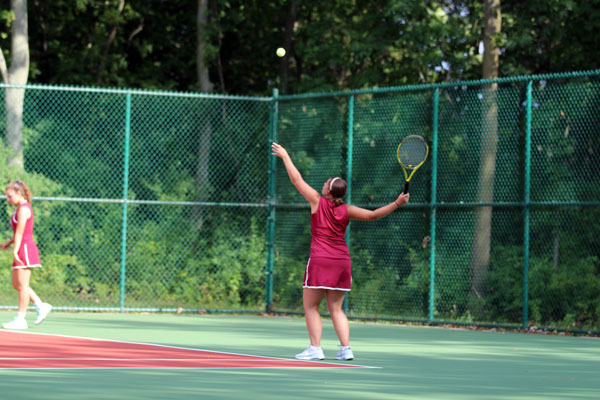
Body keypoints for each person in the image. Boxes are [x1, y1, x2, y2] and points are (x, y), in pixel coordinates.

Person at [271, 142, 410, 361]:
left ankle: (315, 348)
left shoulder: (316, 201)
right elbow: (374, 215)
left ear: (328, 191)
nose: (324, 182)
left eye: (326, 182)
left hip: (320, 261)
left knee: (311, 307)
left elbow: (296, 180)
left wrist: (286, 157)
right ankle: (346, 349)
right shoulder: (347, 210)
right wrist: (397, 203)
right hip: (341, 263)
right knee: (336, 309)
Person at [1, 180, 52, 329]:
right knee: (16, 284)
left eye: (10, 196)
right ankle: (40, 305)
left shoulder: (24, 209)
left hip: (25, 249)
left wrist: (16, 251)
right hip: (20, 246)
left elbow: (21, 232)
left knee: (23, 285)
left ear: (19, 193)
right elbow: (17, 232)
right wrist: (8, 244)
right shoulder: (19, 209)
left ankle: (20, 319)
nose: (8, 199)